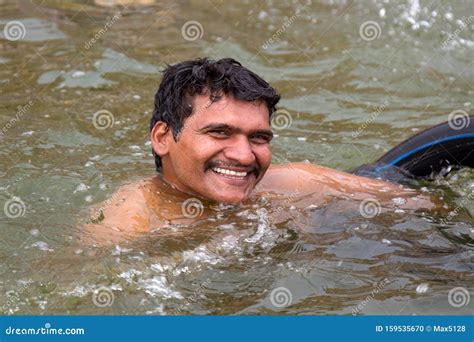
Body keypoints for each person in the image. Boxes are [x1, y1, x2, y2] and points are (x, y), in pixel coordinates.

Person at [83, 58, 440, 245]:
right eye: (219, 132)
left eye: (259, 138)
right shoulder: (126, 227)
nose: (243, 156)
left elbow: (424, 205)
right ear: (162, 137)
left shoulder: (296, 183)